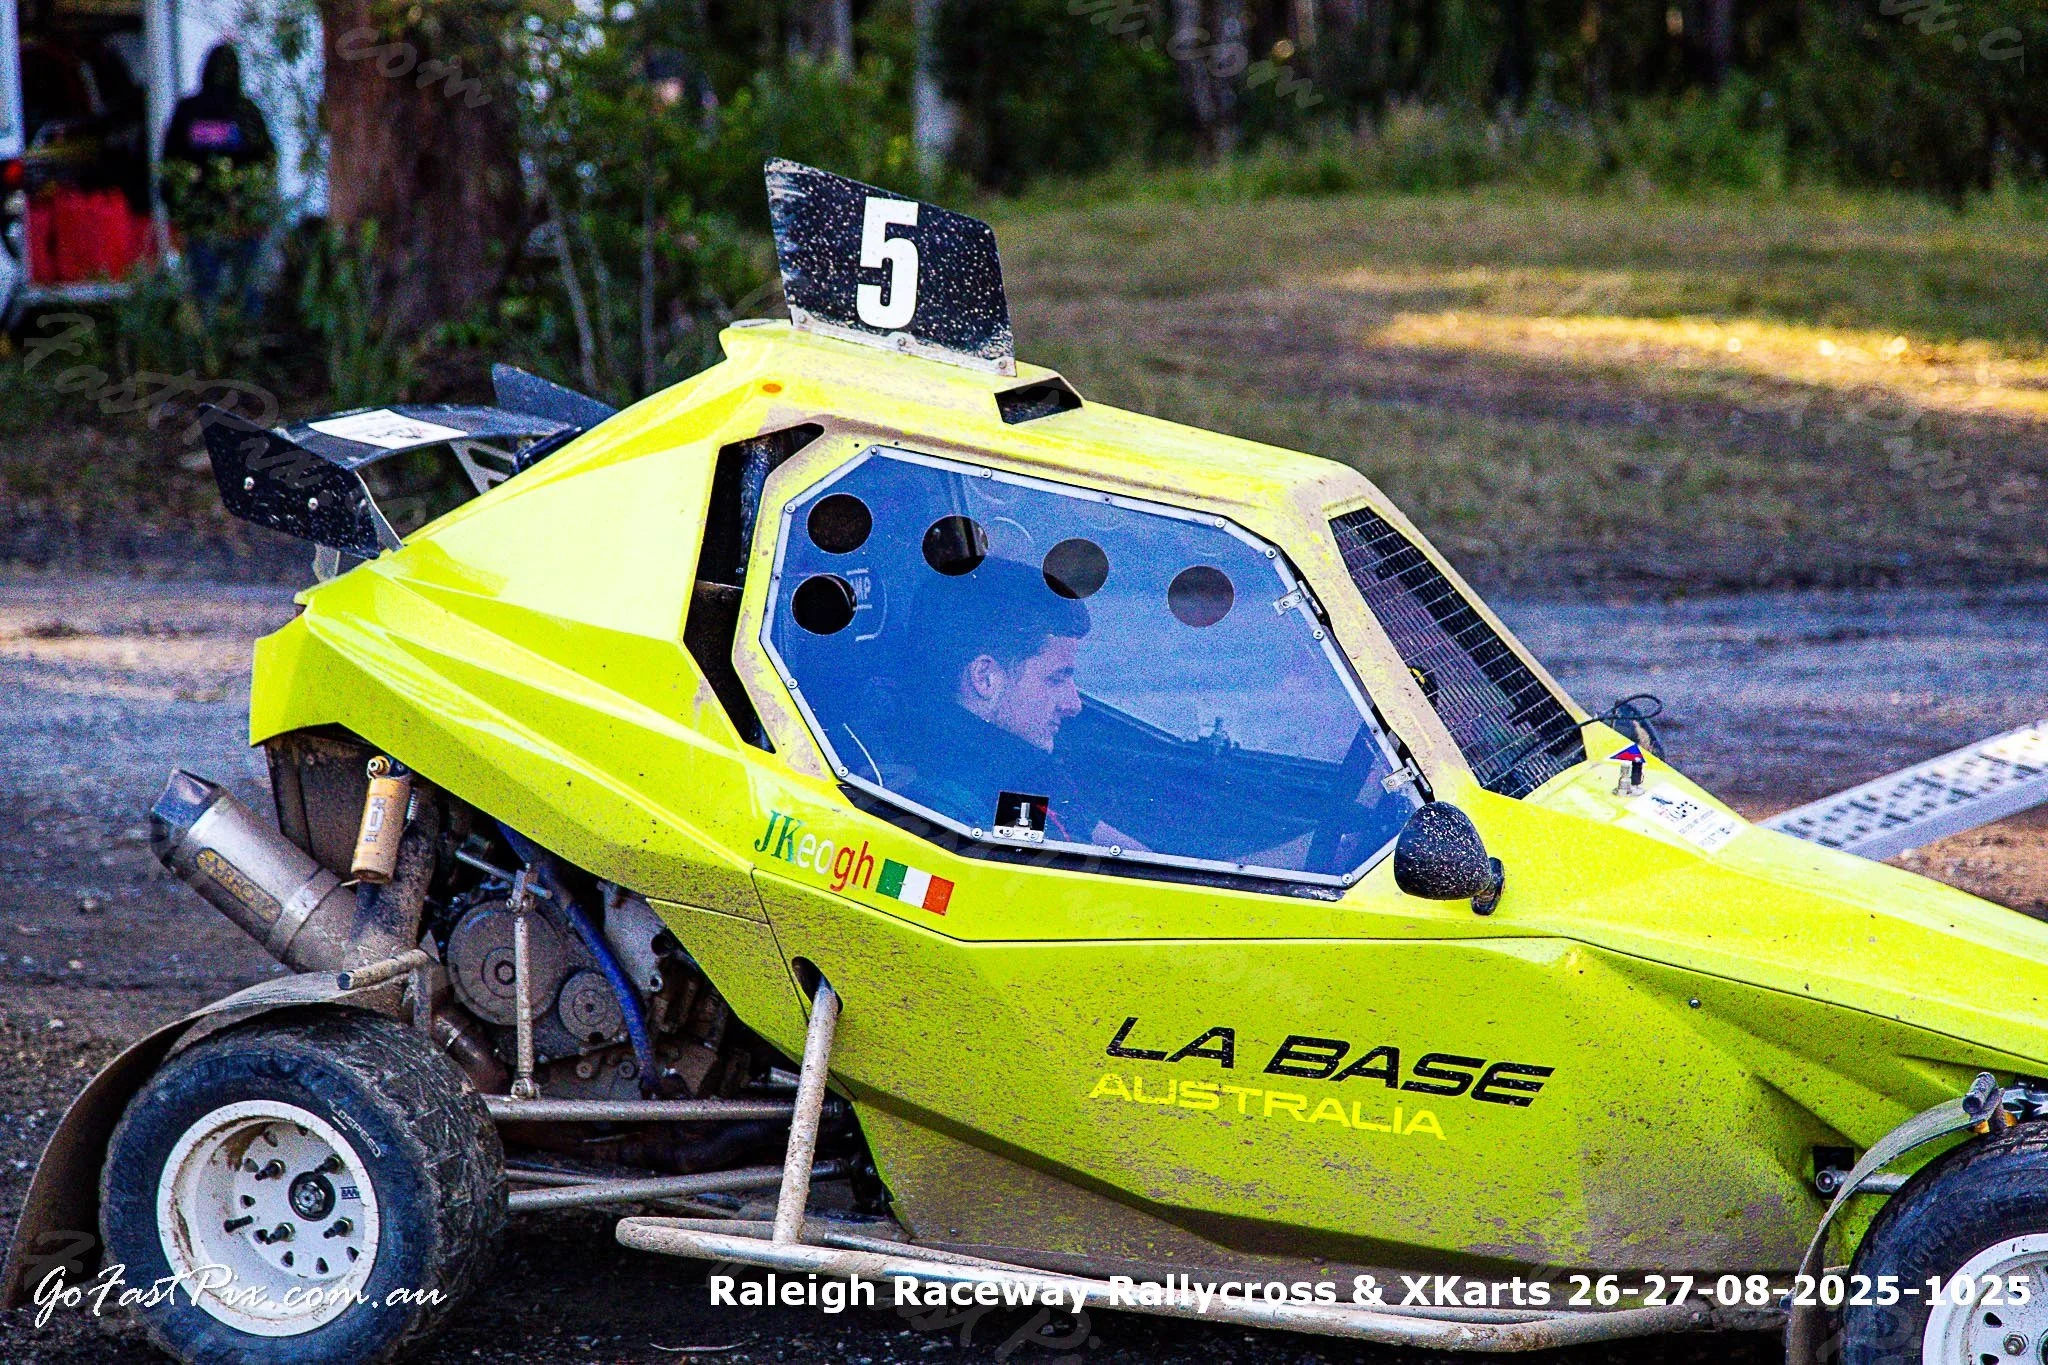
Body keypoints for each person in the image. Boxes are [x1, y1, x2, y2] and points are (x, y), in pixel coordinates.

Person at [895, 559, 1140, 850]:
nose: (1074, 705)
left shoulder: (1018, 768)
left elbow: (1100, 838)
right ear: (985, 678)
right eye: (1056, 679)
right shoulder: (963, 803)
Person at [160, 44, 275, 314]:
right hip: (241, 221)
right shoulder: (247, 112)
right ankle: (247, 347)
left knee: (206, 295)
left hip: (203, 221)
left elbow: (171, 166)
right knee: (247, 295)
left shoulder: (187, 112)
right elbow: (266, 162)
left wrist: (177, 215)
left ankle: (210, 351)